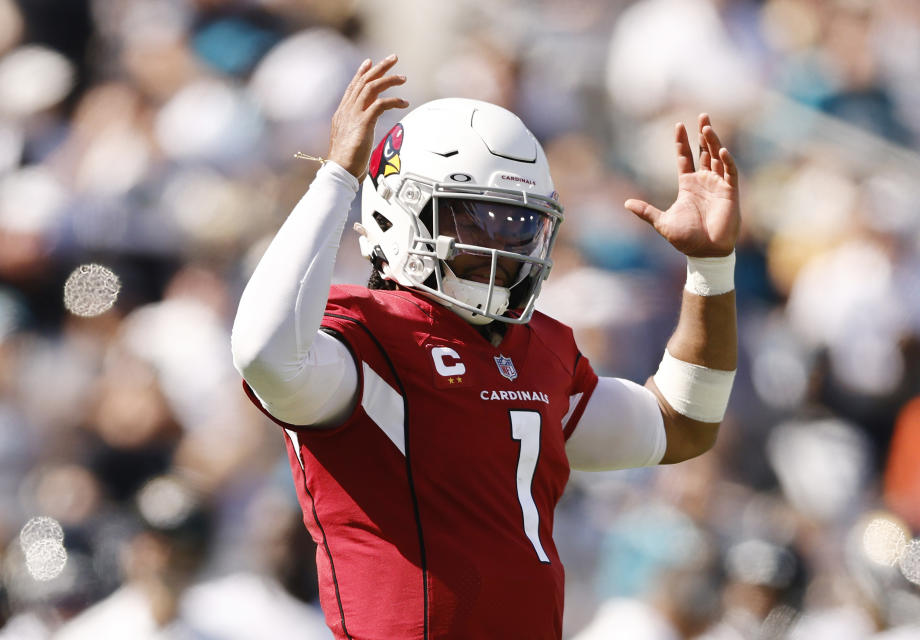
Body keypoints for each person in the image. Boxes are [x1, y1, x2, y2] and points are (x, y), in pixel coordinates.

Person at [231, 54, 740, 640]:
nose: (503, 248)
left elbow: (683, 423)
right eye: (476, 222)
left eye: (519, 226)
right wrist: (337, 176)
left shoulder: (540, 350)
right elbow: (265, 353)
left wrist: (710, 269)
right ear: (397, 211)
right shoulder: (366, 339)